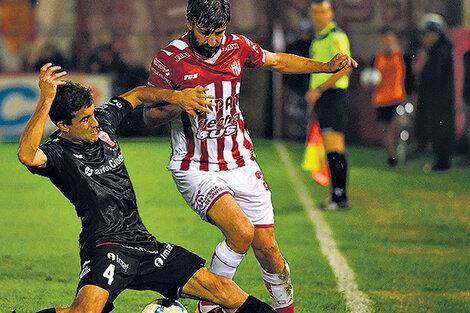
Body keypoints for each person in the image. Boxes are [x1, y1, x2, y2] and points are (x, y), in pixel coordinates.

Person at [143, 1, 357, 312]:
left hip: (241, 161)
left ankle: (284, 308)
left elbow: (278, 62)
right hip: (196, 167)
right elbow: (150, 116)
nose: (213, 40)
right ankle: (210, 302)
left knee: (268, 249)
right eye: (206, 32)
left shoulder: (237, 46)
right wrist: (180, 102)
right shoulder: (169, 58)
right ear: (190, 22)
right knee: (241, 231)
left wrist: (325, 67)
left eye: (219, 32)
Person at [18, 63, 281, 313]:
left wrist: (179, 97)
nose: (95, 123)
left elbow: (139, 94)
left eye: (92, 113)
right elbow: (27, 155)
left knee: (226, 292)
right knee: (86, 310)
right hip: (105, 246)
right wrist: (45, 101)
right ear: (63, 126)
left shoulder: (105, 121)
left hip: (144, 244)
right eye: (85, 120)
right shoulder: (58, 154)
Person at [305, 0, 352, 210]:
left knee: (335, 148)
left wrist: (321, 89)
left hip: (334, 96)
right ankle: (337, 194)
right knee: (331, 148)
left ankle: (340, 196)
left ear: (331, 13)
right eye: (316, 12)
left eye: (323, 11)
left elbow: (345, 67)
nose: (319, 16)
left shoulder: (336, 37)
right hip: (324, 98)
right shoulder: (318, 40)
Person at [412, 14, 455, 171]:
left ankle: (442, 163)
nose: (425, 37)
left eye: (427, 33)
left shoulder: (440, 51)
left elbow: (434, 75)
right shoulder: (439, 50)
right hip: (439, 99)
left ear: (436, 33)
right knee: (438, 130)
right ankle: (441, 161)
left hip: (440, 100)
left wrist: (421, 86)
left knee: (441, 131)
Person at [370, 28, 407, 167]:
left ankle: (394, 155)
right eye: (385, 40)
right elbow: (371, 78)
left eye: (390, 40)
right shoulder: (377, 57)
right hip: (380, 99)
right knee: (385, 130)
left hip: (396, 97)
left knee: (394, 128)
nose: (387, 43)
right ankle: (391, 155)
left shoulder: (401, 56)